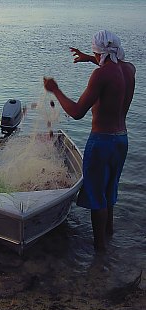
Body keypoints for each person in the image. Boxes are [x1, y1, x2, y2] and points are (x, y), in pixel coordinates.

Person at [44, 30, 136, 252]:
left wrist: (55, 89)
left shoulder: (100, 75)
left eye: (94, 54)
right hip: (121, 140)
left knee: (96, 196)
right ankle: (109, 233)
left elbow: (76, 112)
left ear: (99, 52)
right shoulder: (129, 69)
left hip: (101, 142)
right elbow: (112, 68)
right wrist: (88, 58)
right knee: (109, 190)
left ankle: (100, 251)